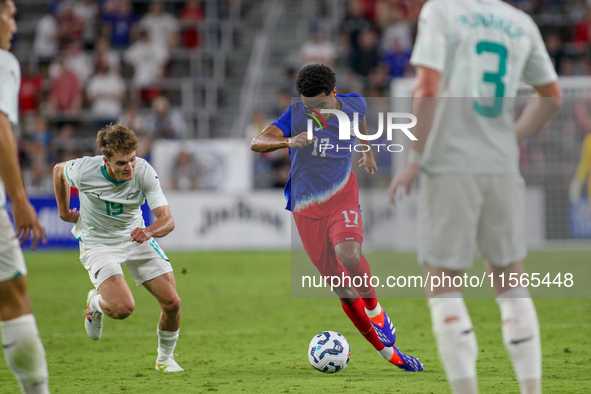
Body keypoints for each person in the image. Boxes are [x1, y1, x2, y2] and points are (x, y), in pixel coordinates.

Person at [388, 1, 562, 393]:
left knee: (444, 285)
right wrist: (507, 138)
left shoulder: (443, 11)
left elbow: (428, 86)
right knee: (511, 283)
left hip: (450, 164)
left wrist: (415, 158)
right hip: (501, 166)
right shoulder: (520, 22)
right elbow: (552, 97)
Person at [250, 63, 423, 372]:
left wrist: (366, 149)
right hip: (306, 209)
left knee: (349, 253)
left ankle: (376, 309)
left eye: (318, 104)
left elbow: (359, 123)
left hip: (343, 196)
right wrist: (288, 141)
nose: (313, 111)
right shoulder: (295, 114)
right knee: (343, 289)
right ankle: (390, 355)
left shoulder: (355, 102)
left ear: (333, 93)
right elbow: (257, 142)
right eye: (307, 105)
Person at [52, 124, 183, 372]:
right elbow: (58, 171)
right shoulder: (84, 170)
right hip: (97, 243)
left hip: (135, 237)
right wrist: (63, 211)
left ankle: (165, 359)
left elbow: (168, 220)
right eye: (122, 163)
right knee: (123, 309)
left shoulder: (144, 171)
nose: (130, 167)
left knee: (172, 303)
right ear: (106, 161)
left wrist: (149, 231)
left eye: (132, 159)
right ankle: (96, 304)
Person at [0, 1, 50, 392]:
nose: (14, 26)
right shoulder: (4, 62)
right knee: (14, 299)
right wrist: (18, 197)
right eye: (10, 16)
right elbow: (0, 127)